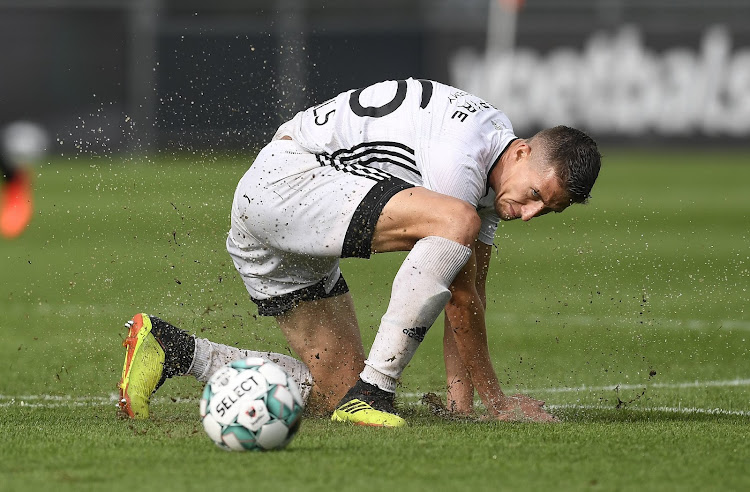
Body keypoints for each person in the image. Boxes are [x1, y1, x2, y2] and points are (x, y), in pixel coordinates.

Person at [117, 78, 601, 426]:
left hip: (287, 208)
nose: (530, 214)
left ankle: (175, 350)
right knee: (458, 225)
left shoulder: (497, 169)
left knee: (332, 391)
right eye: (536, 196)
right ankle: (374, 394)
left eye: (547, 211)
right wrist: (498, 404)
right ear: (521, 154)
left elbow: (470, 293)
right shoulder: (463, 161)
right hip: (288, 183)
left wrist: (462, 406)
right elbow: (459, 295)